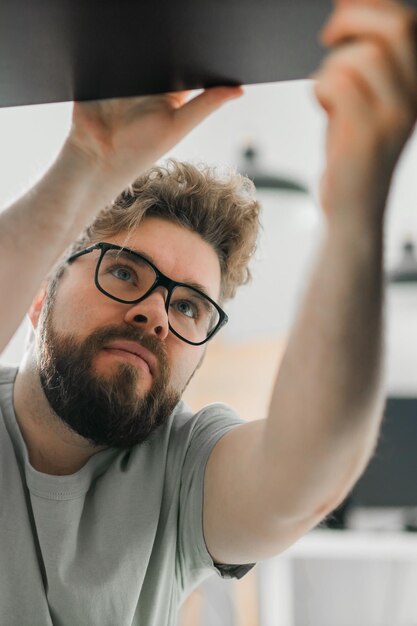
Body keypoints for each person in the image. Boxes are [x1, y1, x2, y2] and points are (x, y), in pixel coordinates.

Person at [1, 0, 416, 624]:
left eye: (190, 305)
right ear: (39, 298)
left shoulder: (182, 462)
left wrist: (357, 210)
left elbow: (299, 480)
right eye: (123, 272)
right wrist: (84, 164)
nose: (156, 315)